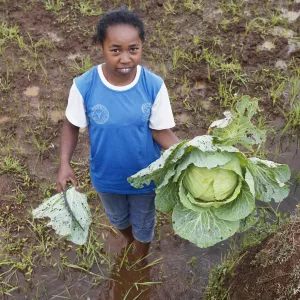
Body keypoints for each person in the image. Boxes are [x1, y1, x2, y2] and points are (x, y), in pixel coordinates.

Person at [56, 9, 179, 264]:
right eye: (116, 50)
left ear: (142, 46)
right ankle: (129, 239)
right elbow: (71, 124)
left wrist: (189, 155)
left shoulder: (153, 85)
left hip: (146, 176)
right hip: (106, 177)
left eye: (133, 49)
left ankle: (140, 257)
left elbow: (160, 130)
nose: (125, 58)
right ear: (101, 46)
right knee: (119, 219)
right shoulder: (84, 85)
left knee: (144, 222)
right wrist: (64, 162)